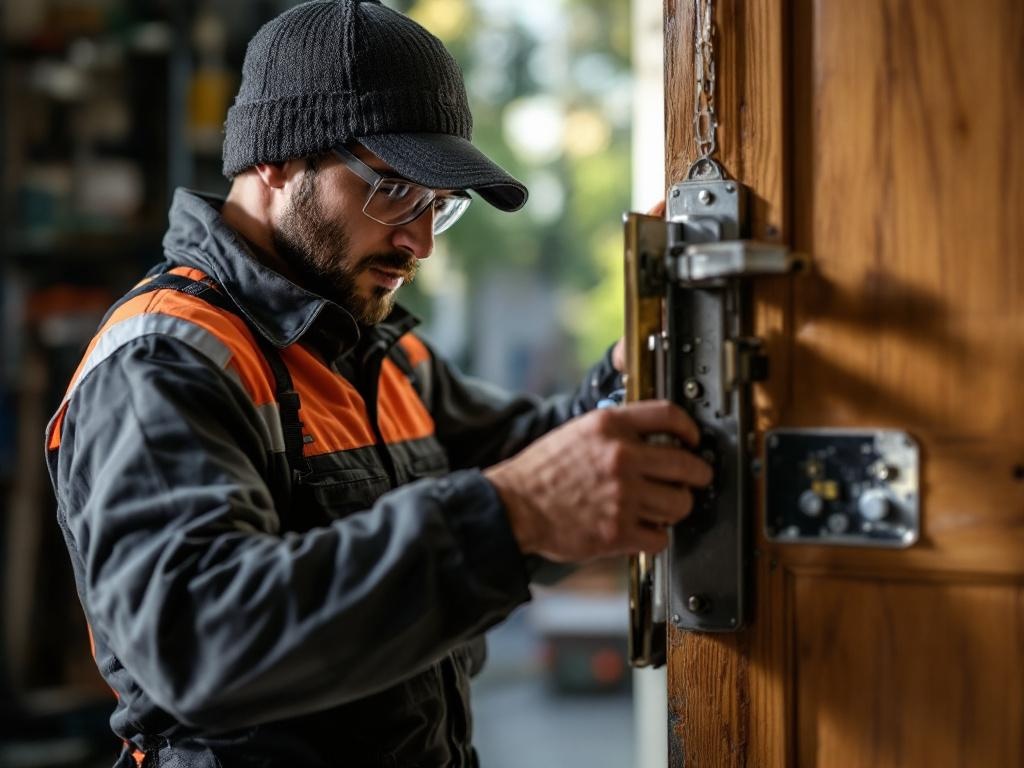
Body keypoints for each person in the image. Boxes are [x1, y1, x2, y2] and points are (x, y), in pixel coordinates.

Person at [45, 1, 712, 766]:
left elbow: (530, 459)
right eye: (393, 191)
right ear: (276, 160)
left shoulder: (377, 352)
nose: (419, 241)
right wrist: (512, 516)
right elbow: (200, 642)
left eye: (439, 206)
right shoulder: (165, 363)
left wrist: (626, 381)